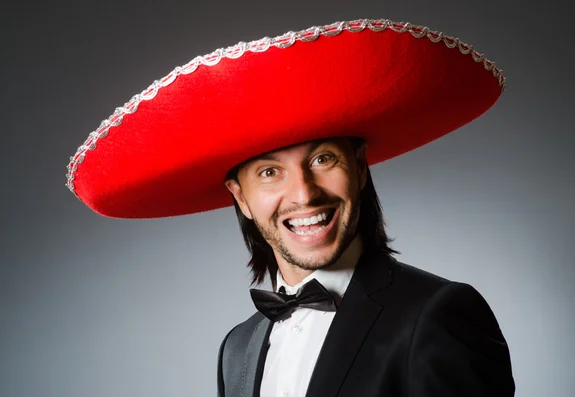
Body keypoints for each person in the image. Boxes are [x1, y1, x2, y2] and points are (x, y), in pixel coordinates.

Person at [65, 19, 514, 397]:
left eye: (323, 160)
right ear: (240, 197)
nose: (304, 194)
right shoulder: (238, 348)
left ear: (359, 169)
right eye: (268, 173)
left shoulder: (440, 313)